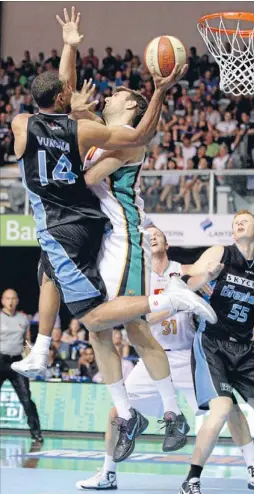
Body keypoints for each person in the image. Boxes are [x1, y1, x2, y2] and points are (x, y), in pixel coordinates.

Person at [11, 7, 208, 461]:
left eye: (119, 93)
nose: (110, 94)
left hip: (121, 234)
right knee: (100, 326)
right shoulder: (94, 128)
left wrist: (157, 90)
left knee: (118, 322)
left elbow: (127, 143)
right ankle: (128, 413)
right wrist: (70, 50)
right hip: (95, 234)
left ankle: (169, 409)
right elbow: (61, 108)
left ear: (130, 106)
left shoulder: (119, 135)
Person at [76, 226, 254, 492]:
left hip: (187, 355)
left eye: (157, 233)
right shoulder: (138, 281)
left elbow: (223, 286)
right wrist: (174, 301)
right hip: (150, 358)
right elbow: (142, 318)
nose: (153, 236)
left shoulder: (184, 271)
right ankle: (108, 472)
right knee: (118, 413)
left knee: (228, 408)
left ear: (167, 242)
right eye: (147, 236)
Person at [177, 209, 254, 494]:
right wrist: (206, 276)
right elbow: (184, 283)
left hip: (244, 349)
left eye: (246, 220)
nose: (239, 222)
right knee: (223, 408)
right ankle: (191, 481)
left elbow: (249, 299)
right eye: (235, 221)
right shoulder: (220, 252)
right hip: (212, 343)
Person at [0, 289, 42, 442]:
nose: (10, 302)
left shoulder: (23, 319)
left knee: (26, 398)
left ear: (17, 300)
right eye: (7, 299)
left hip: (16, 361)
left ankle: (36, 432)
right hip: (0, 360)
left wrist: (29, 359)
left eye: (13, 298)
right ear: (2, 300)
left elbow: (26, 341)